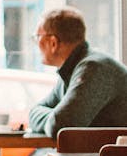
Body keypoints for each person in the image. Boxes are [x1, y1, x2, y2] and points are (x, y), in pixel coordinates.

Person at [29, 7, 127, 137]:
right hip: (102, 154)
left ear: (53, 43)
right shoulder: (72, 69)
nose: (36, 43)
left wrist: (53, 119)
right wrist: (52, 118)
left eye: (38, 37)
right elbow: (35, 111)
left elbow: (62, 125)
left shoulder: (93, 68)